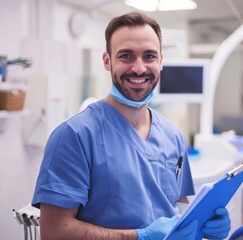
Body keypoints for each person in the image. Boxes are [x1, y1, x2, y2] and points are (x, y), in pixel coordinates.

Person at [32, 11, 231, 240]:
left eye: (149, 56)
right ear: (107, 61)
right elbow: (54, 231)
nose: (139, 68)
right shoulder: (75, 136)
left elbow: (179, 203)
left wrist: (206, 222)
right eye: (126, 56)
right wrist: (140, 237)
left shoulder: (172, 134)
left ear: (161, 61)